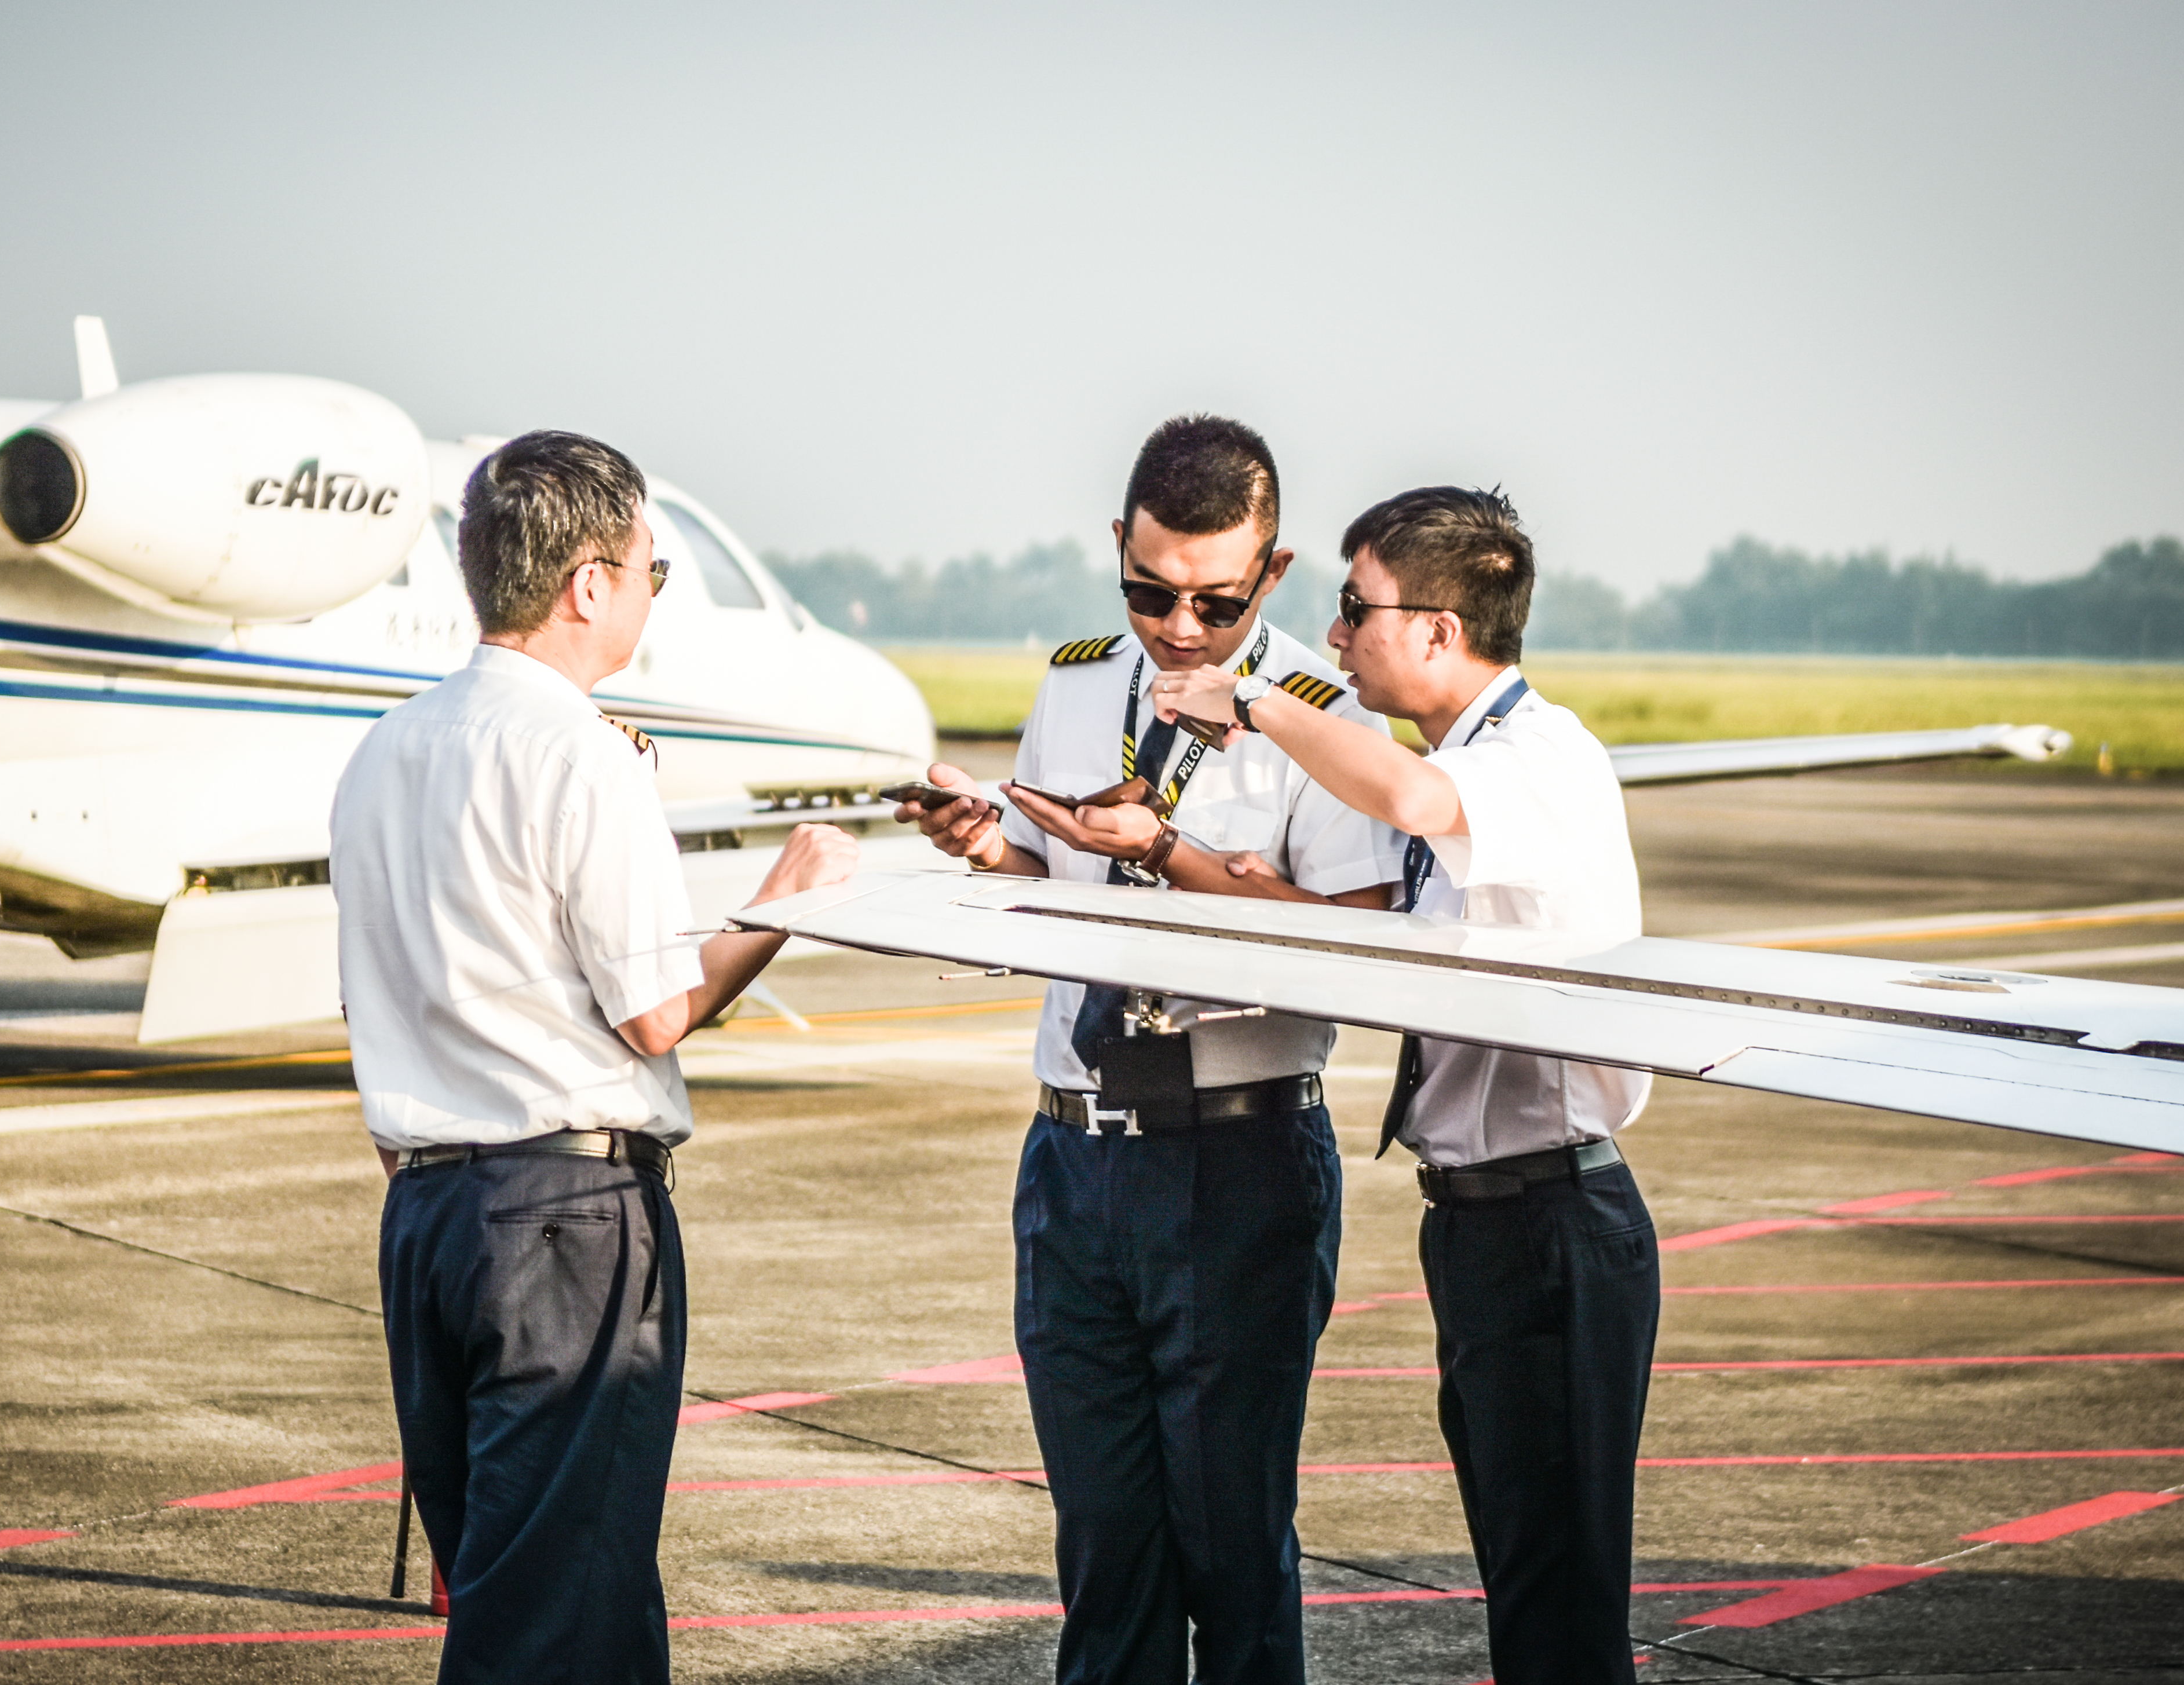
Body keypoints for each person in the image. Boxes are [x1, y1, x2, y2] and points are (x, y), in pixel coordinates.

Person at [331, 431, 857, 1684]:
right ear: (586, 584)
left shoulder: (383, 750)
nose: (645, 598)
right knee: (555, 1612)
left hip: (427, 1213)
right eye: (649, 573)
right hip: (563, 1217)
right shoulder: (580, 752)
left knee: (535, 1586)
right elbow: (656, 1015)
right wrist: (782, 900)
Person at [901, 414, 1403, 1685]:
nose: (1177, 626)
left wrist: (1166, 856)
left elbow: (1361, 939)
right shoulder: (1077, 683)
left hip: (1234, 1159)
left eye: (1214, 601)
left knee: (1233, 1550)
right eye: (1147, 590)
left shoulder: (1319, 714)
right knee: (1106, 1548)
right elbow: (1053, 877)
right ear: (1116, 551)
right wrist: (984, 847)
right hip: (1073, 1161)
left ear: (1272, 576)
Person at [1151, 485, 1660, 1685]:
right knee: (1524, 1570)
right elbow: (1388, 962)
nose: (1334, 636)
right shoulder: (1471, 769)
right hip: (1487, 1222)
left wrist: (1256, 702)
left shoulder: (1529, 759)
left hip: (1553, 1221)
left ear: (1438, 628)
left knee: (1559, 1597)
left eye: (1353, 607)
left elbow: (1410, 801)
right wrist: (1198, 870)